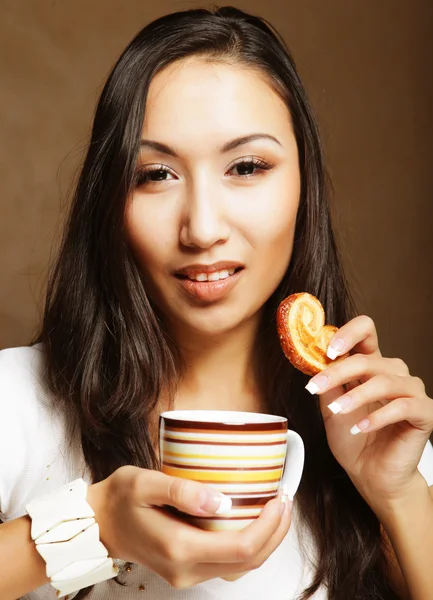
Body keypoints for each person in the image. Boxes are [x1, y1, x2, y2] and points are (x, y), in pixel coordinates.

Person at [0, 6, 432, 600]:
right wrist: (94, 529)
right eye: (155, 174)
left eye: (247, 167)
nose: (202, 228)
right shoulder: (16, 406)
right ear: (109, 201)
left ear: (304, 185)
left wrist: (400, 494)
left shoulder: (372, 434)